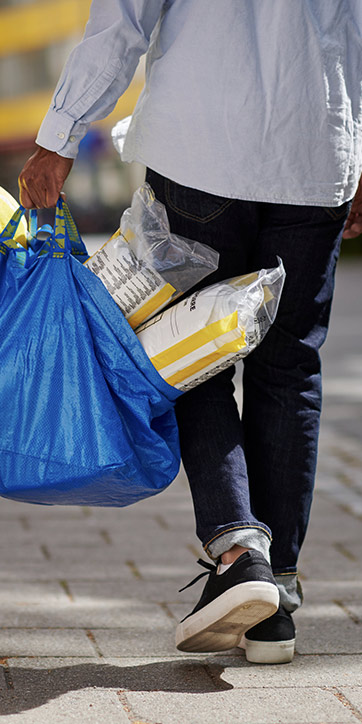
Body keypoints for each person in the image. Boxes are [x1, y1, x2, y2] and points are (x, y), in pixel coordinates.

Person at [18, 0, 362, 664]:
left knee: (189, 355)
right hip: (315, 150)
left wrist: (58, 137)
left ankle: (239, 553)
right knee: (288, 370)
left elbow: (124, 20)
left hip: (203, 146)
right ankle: (277, 598)